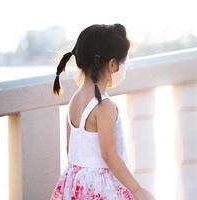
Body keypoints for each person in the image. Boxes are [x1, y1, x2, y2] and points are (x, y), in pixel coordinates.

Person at [50, 23, 155, 200]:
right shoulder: (104, 105)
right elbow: (109, 154)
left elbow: (71, 149)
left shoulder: (74, 100)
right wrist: (137, 190)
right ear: (113, 65)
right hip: (100, 186)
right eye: (124, 62)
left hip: (75, 182)